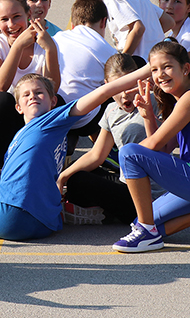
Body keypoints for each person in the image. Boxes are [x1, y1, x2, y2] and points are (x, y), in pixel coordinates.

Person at [0, 64, 151, 241]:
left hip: (9, 217)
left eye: (39, 93)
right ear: (18, 107)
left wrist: (150, 68)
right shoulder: (21, 140)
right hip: (45, 224)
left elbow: (104, 91)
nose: (32, 97)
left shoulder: (52, 121)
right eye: (26, 95)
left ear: (53, 102)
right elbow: (9, 181)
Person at [112, 40, 190, 253]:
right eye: (154, 69)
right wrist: (148, 116)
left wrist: (128, 161)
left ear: (186, 68)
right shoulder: (183, 101)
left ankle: (147, 233)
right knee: (145, 221)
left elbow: (152, 145)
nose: (160, 74)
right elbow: (161, 149)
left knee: (128, 152)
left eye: (167, 67)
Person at [57, 54, 162, 225]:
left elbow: (159, 147)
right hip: (126, 183)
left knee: (80, 181)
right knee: (77, 171)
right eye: (118, 88)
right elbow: (96, 155)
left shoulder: (156, 101)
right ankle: (100, 210)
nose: (125, 94)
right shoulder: (111, 111)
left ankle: (107, 213)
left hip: (149, 195)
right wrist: (63, 177)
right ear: (106, 85)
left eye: (129, 86)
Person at [0, 0, 59, 163]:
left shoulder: (45, 43)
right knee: (0, 100)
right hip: (8, 117)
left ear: (28, 14)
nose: (11, 25)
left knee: (58, 101)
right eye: (4, 19)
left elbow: (53, 87)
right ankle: (5, 166)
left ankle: (48, 163)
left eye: (16, 16)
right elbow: (1, 85)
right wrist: (17, 47)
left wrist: (50, 49)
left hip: (36, 113)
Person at [53, 0, 117, 154]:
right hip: (85, 120)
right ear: (103, 22)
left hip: (54, 109)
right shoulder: (106, 49)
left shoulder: (58, 38)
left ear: (73, 23)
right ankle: (108, 149)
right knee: (114, 86)